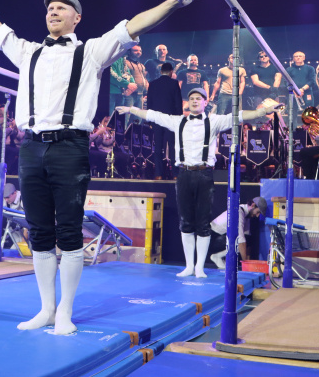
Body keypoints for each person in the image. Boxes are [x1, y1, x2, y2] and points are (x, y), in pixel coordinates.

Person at [0, 0, 211, 335]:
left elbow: (134, 26)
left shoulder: (92, 51)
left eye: (61, 8)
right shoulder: (27, 51)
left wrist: (174, 1)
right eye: (49, 8)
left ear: (76, 18)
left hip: (70, 147)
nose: (52, 11)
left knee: (68, 230)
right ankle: (46, 309)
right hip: (32, 148)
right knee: (39, 230)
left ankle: (65, 311)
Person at [116, 88, 279, 278]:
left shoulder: (214, 121)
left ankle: (199, 267)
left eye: (198, 98)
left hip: (204, 174)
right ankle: (189, 266)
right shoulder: (178, 121)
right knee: (186, 222)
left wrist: (264, 111)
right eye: (192, 98)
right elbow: (154, 115)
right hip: (184, 174)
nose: (194, 101)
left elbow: (239, 116)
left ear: (205, 102)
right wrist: (131, 109)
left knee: (202, 223)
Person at [146, 62, 183, 179]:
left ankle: (158, 174)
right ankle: (175, 174)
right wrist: (178, 119)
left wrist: (150, 121)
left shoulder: (152, 84)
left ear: (161, 71)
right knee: (172, 147)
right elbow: (178, 103)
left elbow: (149, 103)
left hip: (156, 120)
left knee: (158, 148)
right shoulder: (174, 83)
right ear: (171, 72)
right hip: (170, 120)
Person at [209, 196, 267, 269]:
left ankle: (218, 257)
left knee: (247, 239)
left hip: (218, 237)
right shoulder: (238, 212)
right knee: (239, 240)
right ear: (253, 205)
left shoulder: (246, 215)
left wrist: (248, 261)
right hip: (212, 239)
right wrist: (246, 265)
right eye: (258, 212)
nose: (257, 216)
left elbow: (247, 241)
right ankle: (217, 256)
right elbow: (241, 241)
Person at [286, 51, 316, 128]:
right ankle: (293, 130)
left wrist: (302, 89)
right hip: (293, 93)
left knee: (309, 113)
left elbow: (312, 81)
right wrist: (294, 91)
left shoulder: (310, 68)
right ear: (293, 59)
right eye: (296, 56)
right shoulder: (289, 69)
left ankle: (309, 130)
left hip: (307, 92)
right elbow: (286, 82)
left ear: (304, 58)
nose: (298, 57)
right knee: (292, 113)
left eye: (300, 56)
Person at [123, 45, 149, 112]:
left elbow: (144, 78)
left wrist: (147, 91)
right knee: (127, 115)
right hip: (129, 95)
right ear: (129, 52)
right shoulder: (124, 63)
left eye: (140, 51)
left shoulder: (141, 65)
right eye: (135, 50)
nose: (138, 52)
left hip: (140, 94)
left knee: (138, 116)